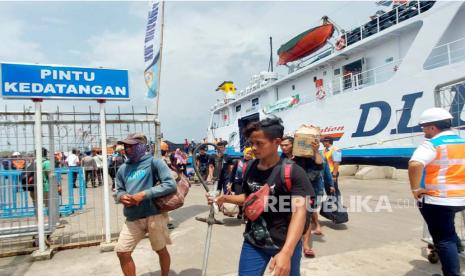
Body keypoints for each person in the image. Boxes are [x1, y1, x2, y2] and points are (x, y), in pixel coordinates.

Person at [207, 117, 314, 276]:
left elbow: (300, 212)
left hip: (285, 242)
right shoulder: (250, 167)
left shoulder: (293, 171)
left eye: (259, 143)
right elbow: (250, 197)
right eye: (251, 143)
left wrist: (286, 252)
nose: (254, 148)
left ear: (276, 142)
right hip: (254, 241)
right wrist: (223, 198)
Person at [408, 107, 465, 276]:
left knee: (443, 240)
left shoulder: (433, 144)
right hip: (461, 198)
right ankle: (458, 247)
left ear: (433, 127)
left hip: (439, 200)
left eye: (424, 127)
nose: (423, 131)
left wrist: (415, 188)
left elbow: (415, 164)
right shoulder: (462, 142)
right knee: (449, 228)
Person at [114, 133, 176, 276]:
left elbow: (170, 184)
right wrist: (122, 197)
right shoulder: (123, 169)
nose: (127, 149)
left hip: (154, 215)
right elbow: (119, 190)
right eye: (125, 146)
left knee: (160, 250)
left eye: (131, 146)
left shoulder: (155, 162)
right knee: (122, 251)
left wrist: (143, 194)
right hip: (132, 217)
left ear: (142, 146)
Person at [280, 136, 322, 258]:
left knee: (305, 219)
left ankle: (306, 245)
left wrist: (316, 151)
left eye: (286, 145)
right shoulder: (282, 158)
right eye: (281, 145)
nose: (283, 147)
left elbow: (319, 166)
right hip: (287, 192)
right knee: (288, 217)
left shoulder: (303, 157)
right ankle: (290, 243)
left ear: (293, 145)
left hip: (304, 192)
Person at [228, 146, 254, 219]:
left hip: (248, 184)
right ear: (244, 153)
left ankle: (246, 213)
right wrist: (230, 183)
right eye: (247, 153)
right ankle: (240, 211)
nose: (248, 155)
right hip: (238, 183)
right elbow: (233, 173)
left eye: (250, 154)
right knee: (238, 198)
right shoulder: (238, 161)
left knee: (247, 199)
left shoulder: (254, 162)